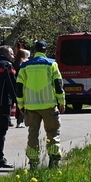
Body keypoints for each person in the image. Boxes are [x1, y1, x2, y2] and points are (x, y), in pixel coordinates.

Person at [15, 40, 65, 169]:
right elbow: (58, 85)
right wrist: (62, 102)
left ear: (35, 51)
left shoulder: (25, 66)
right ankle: (54, 161)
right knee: (53, 133)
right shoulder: (52, 64)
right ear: (45, 51)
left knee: (32, 134)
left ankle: (33, 162)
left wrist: (21, 105)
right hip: (49, 106)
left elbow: (19, 88)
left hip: (31, 107)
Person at [13, 48, 30, 127]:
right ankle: (20, 121)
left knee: (18, 103)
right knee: (23, 103)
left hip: (16, 84)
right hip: (23, 84)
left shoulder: (15, 63)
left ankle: (18, 121)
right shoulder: (25, 63)